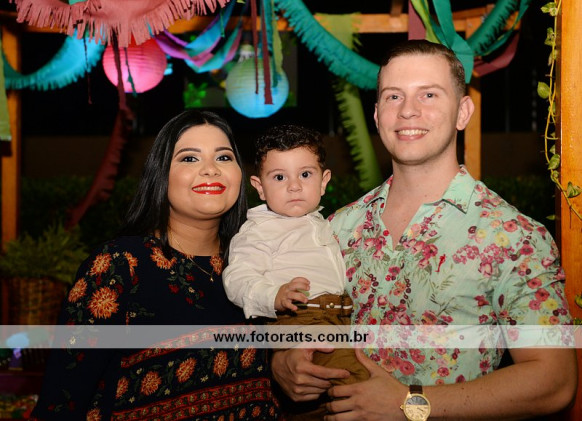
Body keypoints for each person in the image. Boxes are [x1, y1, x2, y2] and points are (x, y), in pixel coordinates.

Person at [271, 40, 578, 420]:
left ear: (463, 112)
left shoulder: (514, 236)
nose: (408, 110)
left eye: (429, 94)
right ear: (377, 114)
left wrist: (411, 404)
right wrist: (283, 360)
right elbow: (303, 323)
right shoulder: (336, 227)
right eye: (393, 96)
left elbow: (554, 381)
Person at [31, 110, 280, 420]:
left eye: (224, 157)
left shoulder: (260, 266)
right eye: (190, 158)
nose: (210, 169)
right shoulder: (120, 266)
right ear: (161, 174)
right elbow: (61, 402)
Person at [223, 124, 369, 420]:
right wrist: (273, 295)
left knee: (324, 399)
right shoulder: (259, 230)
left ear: (324, 181)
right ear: (259, 186)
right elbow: (237, 278)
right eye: (279, 177)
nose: (294, 186)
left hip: (337, 319)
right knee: (358, 384)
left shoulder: (323, 223)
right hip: (300, 317)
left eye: (305, 174)